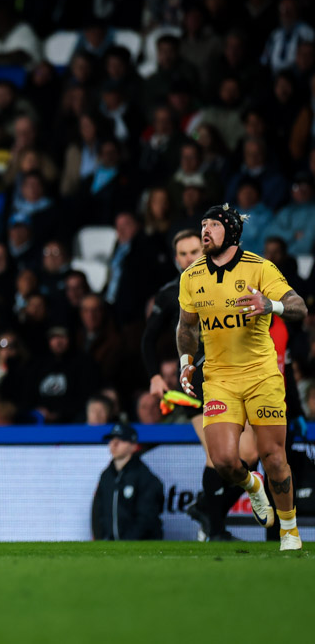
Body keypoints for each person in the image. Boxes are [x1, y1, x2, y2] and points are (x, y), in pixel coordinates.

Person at [177, 204, 308, 551]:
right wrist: (186, 361)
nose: (205, 230)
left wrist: (271, 306)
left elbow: (299, 306)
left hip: (261, 376)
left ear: (232, 231)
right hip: (219, 378)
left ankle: (290, 532)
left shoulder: (259, 267)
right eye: (202, 224)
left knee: (274, 457)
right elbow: (186, 327)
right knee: (222, 460)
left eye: (213, 225)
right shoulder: (191, 276)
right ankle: (253, 486)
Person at [143, 229, 257, 540]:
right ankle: (215, 527)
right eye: (182, 253)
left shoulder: (227, 283)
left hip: (233, 376)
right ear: (175, 258)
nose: (189, 258)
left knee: (248, 453)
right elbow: (148, 338)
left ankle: (206, 509)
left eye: (194, 251)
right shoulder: (170, 293)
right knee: (218, 455)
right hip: (196, 382)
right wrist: (154, 375)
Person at [91, 424, 164, 541]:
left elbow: (147, 517)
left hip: (140, 546)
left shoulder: (144, 476)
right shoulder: (106, 475)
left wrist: (128, 541)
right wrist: (101, 539)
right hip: (111, 545)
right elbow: (97, 511)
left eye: (120, 440)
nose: (114, 444)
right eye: (112, 440)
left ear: (134, 446)